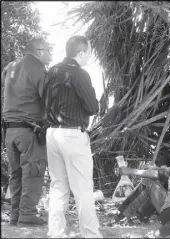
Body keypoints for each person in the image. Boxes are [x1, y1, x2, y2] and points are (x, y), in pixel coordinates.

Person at [43, 35, 102, 237]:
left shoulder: (52, 71)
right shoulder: (80, 74)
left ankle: (55, 233)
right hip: (72, 134)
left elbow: (43, 98)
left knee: (58, 186)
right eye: (89, 52)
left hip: (52, 133)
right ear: (81, 52)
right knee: (83, 188)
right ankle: (91, 234)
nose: (90, 56)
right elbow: (93, 107)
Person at [1, 38, 52, 226]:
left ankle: (15, 215)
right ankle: (28, 214)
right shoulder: (37, 68)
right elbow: (48, 99)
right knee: (33, 171)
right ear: (39, 51)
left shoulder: (10, 66)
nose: (50, 54)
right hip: (29, 130)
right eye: (48, 50)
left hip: (9, 131)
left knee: (16, 174)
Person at [108, 138, 170, 225]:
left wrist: (130, 171)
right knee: (158, 186)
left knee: (148, 182)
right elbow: (166, 170)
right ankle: (140, 216)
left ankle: (121, 216)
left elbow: (157, 174)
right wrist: (154, 168)